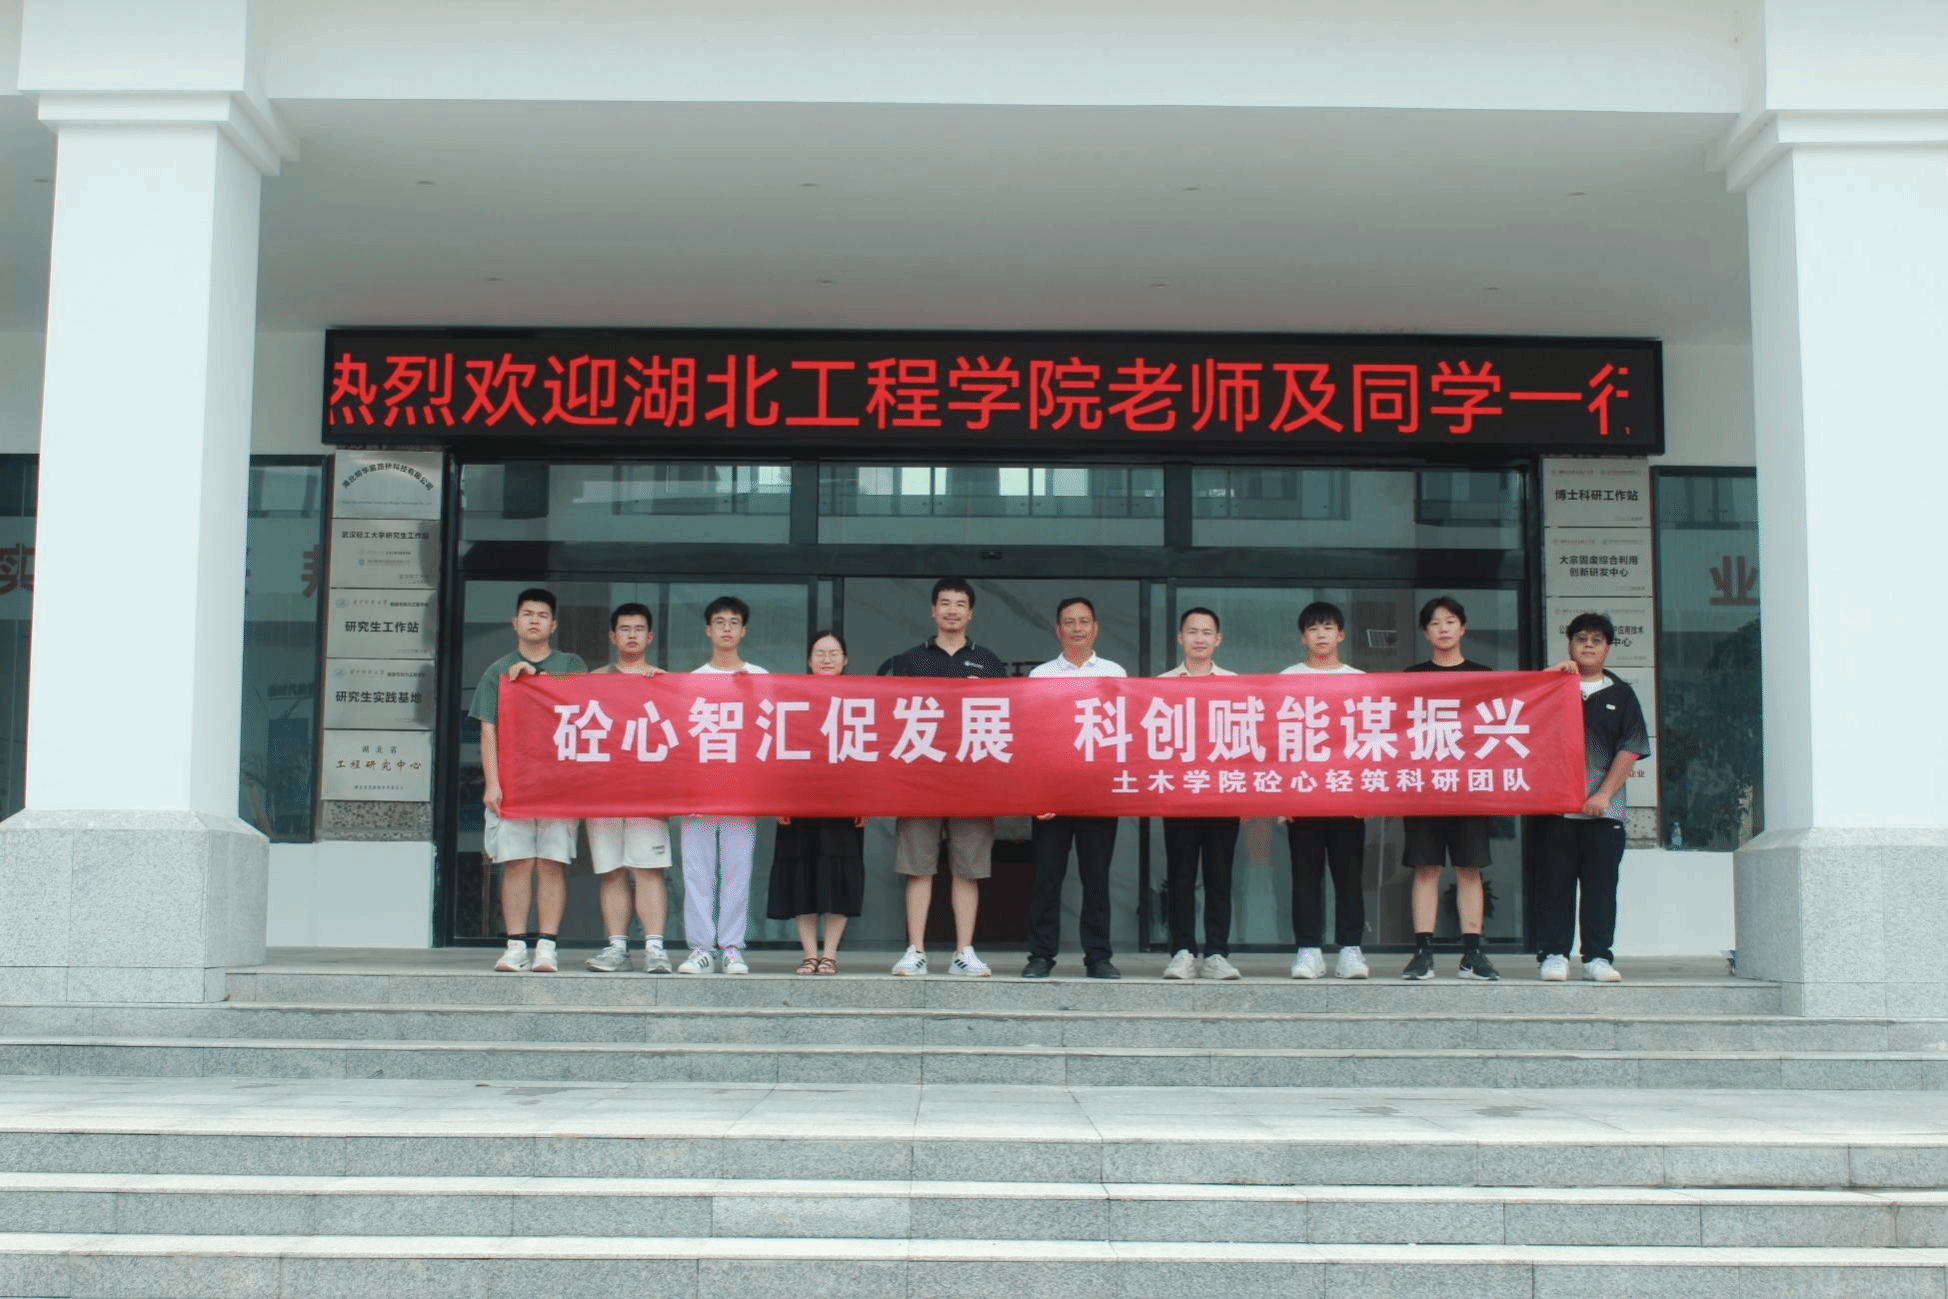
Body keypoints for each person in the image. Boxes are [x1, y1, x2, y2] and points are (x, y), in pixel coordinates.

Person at [877, 578, 1009, 978]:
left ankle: (963, 952)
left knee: (968, 869)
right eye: (945, 603)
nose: (952, 610)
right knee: (919, 867)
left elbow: (1008, 719)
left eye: (960, 604)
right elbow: (889, 717)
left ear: (971, 613)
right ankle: (915, 950)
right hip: (920, 779)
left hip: (973, 781)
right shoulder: (909, 661)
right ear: (933, 610)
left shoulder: (989, 662)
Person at [470, 588, 586, 974]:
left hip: (559, 782)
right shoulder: (497, 670)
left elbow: (583, 705)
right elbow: (488, 730)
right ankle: (516, 946)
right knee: (516, 863)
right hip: (514, 784)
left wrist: (538, 678)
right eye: (528, 614)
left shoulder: (571, 663)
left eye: (542, 615)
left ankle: (547, 947)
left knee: (552, 863)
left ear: (553, 625)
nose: (534, 620)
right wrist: (493, 783)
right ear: (515, 622)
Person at [1535, 612, 1651, 983]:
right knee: (1554, 886)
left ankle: (1597, 957)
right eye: (1581, 638)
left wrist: (1603, 794)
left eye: (1596, 640)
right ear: (1569, 644)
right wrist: (1547, 678)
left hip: (1605, 811)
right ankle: (1553, 955)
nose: (1588, 645)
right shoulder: (1552, 687)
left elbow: (1630, 748)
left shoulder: (1621, 694)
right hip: (1555, 810)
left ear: (1608, 648)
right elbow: (1520, 717)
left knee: (1601, 889)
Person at [1023, 596, 1127, 979]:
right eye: (1070, 622)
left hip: (1098, 794)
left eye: (1084, 621)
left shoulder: (1115, 672)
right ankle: (1040, 956)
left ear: (1095, 628)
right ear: (1058, 629)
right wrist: (1036, 794)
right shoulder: (1040, 676)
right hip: (1051, 796)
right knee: (1046, 879)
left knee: (1096, 880)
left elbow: (1123, 734)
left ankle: (1098, 957)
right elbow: (1031, 739)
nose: (1077, 628)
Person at [1399, 595, 1499, 981]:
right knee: (1426, 867)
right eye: (1435, 623)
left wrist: (1556, 675)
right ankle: (1423, 953)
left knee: (1468, 868)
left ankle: (1472, 953)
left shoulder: (1484, 676)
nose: (1443, 629)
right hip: (1423, 788)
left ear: (1463, 628)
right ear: (1425, 633)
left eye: (1450, 621)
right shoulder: (1410, 678)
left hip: (1469, 788)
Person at [1279, 601, 1371, 980]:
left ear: (1341, 634)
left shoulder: (1359, 679)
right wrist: (1283, 796)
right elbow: (1278, 741)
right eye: (1313, 628)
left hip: (1347, 794)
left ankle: (1350, 950)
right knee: (1305, 878)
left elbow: (1370, 741)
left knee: (1349, 877)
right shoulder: (1288, 678)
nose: (1321, 635)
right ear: (1303, 637)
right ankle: (1309, 950)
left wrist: (1367, 792)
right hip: (1302, 795)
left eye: (1328, 627)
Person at [767, 630, 868, 974]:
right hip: (798, 802)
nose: (827, 659)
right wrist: (778, 799)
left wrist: (865, 800)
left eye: (833, 653)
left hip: (844, 803)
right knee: (802, 875)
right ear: (809, 660)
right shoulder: (792, 697)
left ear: (845, 660)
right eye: (820, 653)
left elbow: (870, 755)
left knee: (837, 876)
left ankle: (830, 954)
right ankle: (810, 953)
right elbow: (777, 751)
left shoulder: (859, 699)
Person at [582, 604, 675, 974]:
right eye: (625, 629)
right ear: (612, 636)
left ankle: (655, 948)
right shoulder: (593, 680)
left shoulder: (663, 681)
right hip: (602, 791)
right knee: (612, 870)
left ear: (649, 637)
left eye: (639, 629)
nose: (632, 635)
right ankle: (617, 947)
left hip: (647, 791)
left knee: (648, 869)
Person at [677, 596, 767, 975]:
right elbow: (682, 739)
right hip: (699, 789)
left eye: (733, 622)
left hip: (741, 789)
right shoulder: (692, 680)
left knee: (737, 871)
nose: (726, 628)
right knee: (697, 871)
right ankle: (701, 948)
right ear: (708, 630)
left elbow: (769, 732)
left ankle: (731, 947)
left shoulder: (759, 677)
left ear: (743, 631)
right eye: (719, 622)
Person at [1157, 608, 1241, 981]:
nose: (1199, 638)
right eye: (1192, 631)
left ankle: (1217, 954)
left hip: (1223, 796)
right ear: (1180, 638)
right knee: (1180, 877)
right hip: (1178, 795)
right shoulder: (1161, 685)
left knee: (1219, 878)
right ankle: (1182, 952)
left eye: (1207, 632)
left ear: (1218, 640)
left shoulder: (1235, 685)